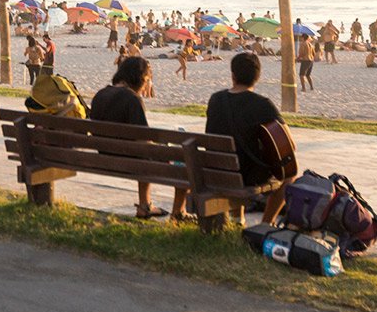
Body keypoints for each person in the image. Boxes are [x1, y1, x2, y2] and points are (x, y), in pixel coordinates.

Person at [90, 56, 187, 220]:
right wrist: (161, 145)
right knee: (182, 159)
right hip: (130, 160)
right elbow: (143, 143)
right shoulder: (132, 99)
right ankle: (178, 213)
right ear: (140, 78)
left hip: (104, 156)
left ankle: (145, 206)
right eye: (148, 78)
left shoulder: (100, 94)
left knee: (145, 154)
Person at [205, 52, 293, 225]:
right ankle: (266, 223)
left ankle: (238, 218)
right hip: (247, 175)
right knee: (289, 175)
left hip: (217, 170)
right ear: (257, 77)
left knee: (239, 156)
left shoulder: (215, 99)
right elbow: (289, 143)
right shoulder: (263, 104)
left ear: (233, 75)